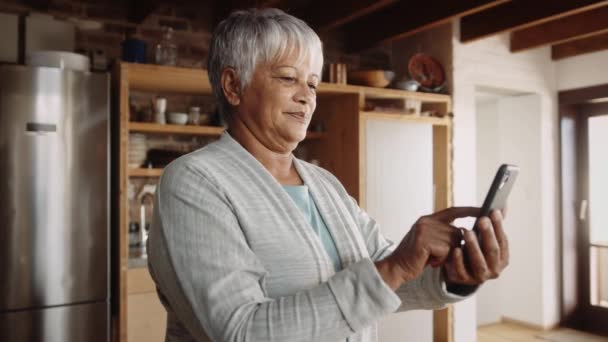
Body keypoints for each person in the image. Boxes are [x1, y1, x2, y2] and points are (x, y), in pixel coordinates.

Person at [147, 8, 509, 342]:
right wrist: (394, 268)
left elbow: (387, 280)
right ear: (233, 85)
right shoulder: (194, 182)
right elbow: (240, 331)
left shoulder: (323, 183)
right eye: (289, 78)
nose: (307, 97)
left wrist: (454, 275)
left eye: (314, 84)